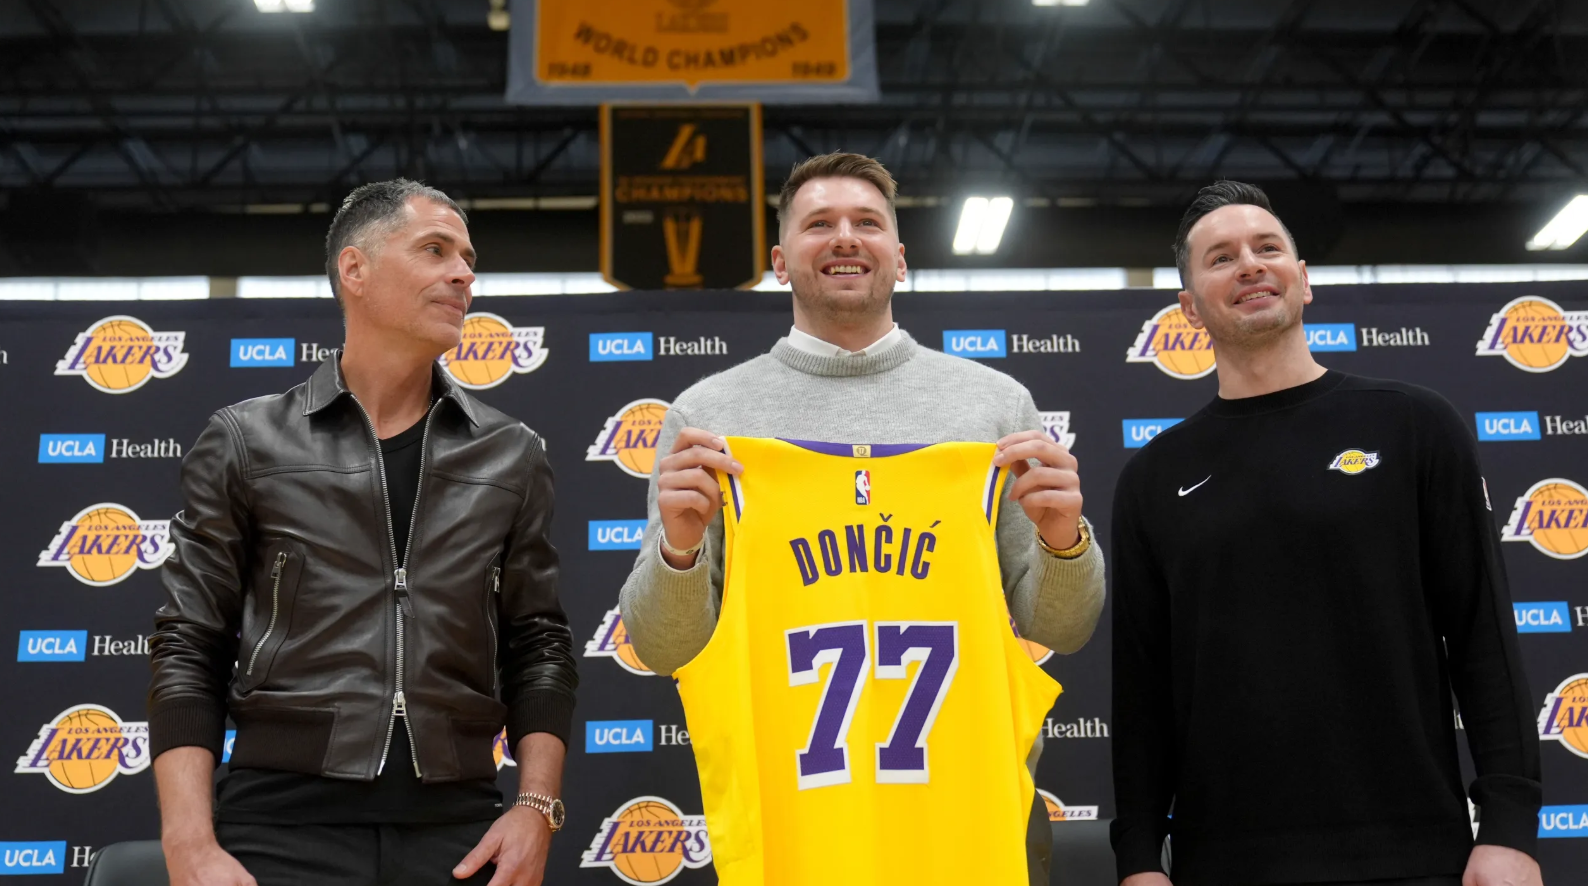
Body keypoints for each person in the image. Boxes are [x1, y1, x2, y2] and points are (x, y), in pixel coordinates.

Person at [618, 151, 1106, 883]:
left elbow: (1060, 628)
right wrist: (680, 551)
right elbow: (661, 648)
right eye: (820, 224)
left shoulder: (992, 408)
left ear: (899, 259)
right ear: (781, 261)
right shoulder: (709, 418)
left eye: (867, 223)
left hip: (962, 832)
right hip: (798, 837)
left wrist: (1065, 544)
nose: (845, 238)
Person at [1110, 181, 1541, 886]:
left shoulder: (1414, 427)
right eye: (1220, 257)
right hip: (1224, 865)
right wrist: (1136, 860)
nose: (1249, 264)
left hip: (1413, 854)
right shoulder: (1154, 478)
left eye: (1267, 248)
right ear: (1189, 308)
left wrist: (1510, 830)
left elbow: (1481, 638)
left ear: (1303, 281)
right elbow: (1141, 691)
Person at [148, 179, 577, 886]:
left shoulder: (512, 453)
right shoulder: (246, 442)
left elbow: (540, 644)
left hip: (461, 834)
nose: (464, 273)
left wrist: (536, 809)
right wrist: (189, 843)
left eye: (468, 258)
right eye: (435, 250)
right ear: (355, 269)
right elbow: (190, 644)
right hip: (278, 830)